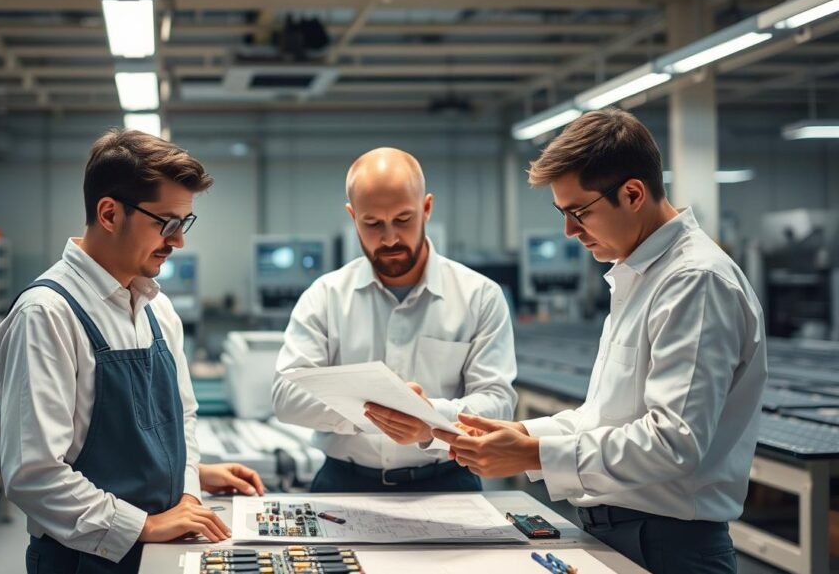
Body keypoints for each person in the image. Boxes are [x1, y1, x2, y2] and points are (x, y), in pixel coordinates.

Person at [434, 109, 767, 574]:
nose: (569, 231)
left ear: (632, 194)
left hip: (668, 545)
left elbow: (673, 442)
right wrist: (521, 434)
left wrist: (533, 453)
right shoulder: (637, 276)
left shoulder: (694, 281)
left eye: (579, 212)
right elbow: (603, 418)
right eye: (562, 213)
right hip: (622, 532)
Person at [0, 129, 264, 574]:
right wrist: (142, 525)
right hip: (86, 559)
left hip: (163, 541)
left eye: (184, 224)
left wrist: (190, 494)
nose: (178, 242)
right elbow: (33, 475)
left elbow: (184, 422)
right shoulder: (47, 314)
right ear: (109, 213)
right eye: (166, 223)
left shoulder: (158, 309)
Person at [272, 147, 518, 493]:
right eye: (372, 223)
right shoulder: (325, 296)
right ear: (352, 215)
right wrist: (377, 415)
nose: (389, 238)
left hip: (447, 481)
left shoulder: (479, 296)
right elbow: (286, 394)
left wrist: (430, 419)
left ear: (427, 208)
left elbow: (497, 403)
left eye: (403, 219)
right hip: (343, 482)